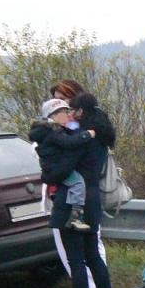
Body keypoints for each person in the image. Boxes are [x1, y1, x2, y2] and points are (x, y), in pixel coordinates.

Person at [40, 92, 115, 288]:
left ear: (81, 112)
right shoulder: (101, 140)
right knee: (94, 257)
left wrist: (47, 174)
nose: (69, 113)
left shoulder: (78, 140)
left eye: (72, 109)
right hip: (93, 201)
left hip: (72, 203)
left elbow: (60, 171)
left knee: (76, 260)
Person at [30, 98, 90, 232]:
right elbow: (69, 143)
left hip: (53, 167)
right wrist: (86, 135)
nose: (66, 116)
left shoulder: (47, 130)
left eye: (66, 112)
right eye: (62, 113)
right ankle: (76, 215)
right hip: (58, 168)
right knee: (78, 183)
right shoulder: (54, 132)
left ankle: (74, 214)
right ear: (52, 116)